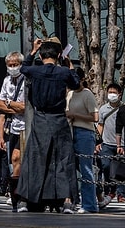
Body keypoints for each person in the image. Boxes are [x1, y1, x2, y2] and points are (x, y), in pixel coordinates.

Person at [16, 37, 80, 212]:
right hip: (58, 118)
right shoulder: (63, 73)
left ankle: (25, 200)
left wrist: (32, 51)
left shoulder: (35, 71)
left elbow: (22, 68)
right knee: (63, 158)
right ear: (59, 55)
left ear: (42, 55)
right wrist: (70, 66)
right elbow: (75, 83)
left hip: (40, 118)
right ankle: (67, 200)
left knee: (34, 158)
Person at [65, 68, 99, 213]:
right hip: (71, 131)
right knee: (71, 168)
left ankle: (90, 204)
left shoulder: (87, 94)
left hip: (85, 132)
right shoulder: (70, 94)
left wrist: (76, 115)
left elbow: (95, 117)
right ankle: (72, 201)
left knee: (86, 169)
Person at [0, 51, 27, 212]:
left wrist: (9, 104)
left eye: (16, 64)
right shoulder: (6, 80)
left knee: (22, 160)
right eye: (10, 65)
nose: (13, 67)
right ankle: (16, 194)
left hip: (27, 127)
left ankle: (22, 194)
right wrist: (13, 105)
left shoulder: (27, 81)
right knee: (14, 160)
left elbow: (25, 107)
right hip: (13, 127)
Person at [97, 83, 125, 203]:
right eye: (110, 92)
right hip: (107, 143)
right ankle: (110, 189)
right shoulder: (103, 109)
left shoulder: (123, 108)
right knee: (106, 166)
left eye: (114, 92)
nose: (111, 95)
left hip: (121, 144)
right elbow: (100, 125)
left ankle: (121, 194)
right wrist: (98, 142)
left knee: (121, 170)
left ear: (119, 94)